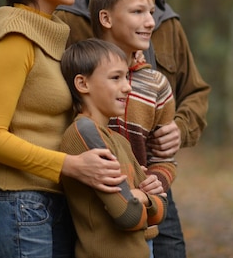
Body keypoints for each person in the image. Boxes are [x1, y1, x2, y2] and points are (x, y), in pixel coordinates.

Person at [0, 0, 209, 257]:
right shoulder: (43, 27)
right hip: (31, 197)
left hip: (76, 192)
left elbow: (43, 96)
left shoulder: (53, 29)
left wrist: (176, 134)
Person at [55, 0, 211, 257]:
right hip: (87, 186)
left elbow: (195, 92)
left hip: (151, 181)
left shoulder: (165, 22)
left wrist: (179, 129)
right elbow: (36, 82)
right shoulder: (66, 16)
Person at [0, 0, 126, 258]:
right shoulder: (15, 36)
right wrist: (70, 166)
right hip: (17, 203)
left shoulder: (53, 34)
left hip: (50, 203)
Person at [60, 38, 168, 258]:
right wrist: (145, 197)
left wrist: (142, 197)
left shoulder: (119, 141)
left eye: (127, 77)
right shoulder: (84, 133)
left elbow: (162, 210)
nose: (127, 87)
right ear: (82, 84)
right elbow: (127, 215)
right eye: (116, 77)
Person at [88, 0, 177, 197]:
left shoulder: (157, 85)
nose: (149, 22)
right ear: (106, 19)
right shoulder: (77, 71)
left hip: (137, 211)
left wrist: (157, 180)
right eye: (138, 11)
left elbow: (164, 159)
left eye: (151, 13)